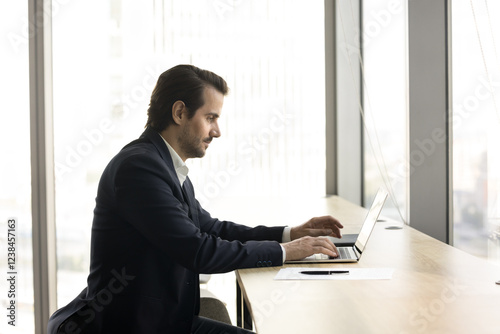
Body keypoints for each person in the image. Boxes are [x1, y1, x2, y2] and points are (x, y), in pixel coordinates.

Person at [47, 64, 343, 334]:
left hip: (166, 322)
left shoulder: (167, 166)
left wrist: (290, 234)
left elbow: (211, 228)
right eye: (210, 118)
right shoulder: (139, 168)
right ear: (179, 113)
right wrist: (285, 252)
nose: (217, 131)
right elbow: (198, 250)